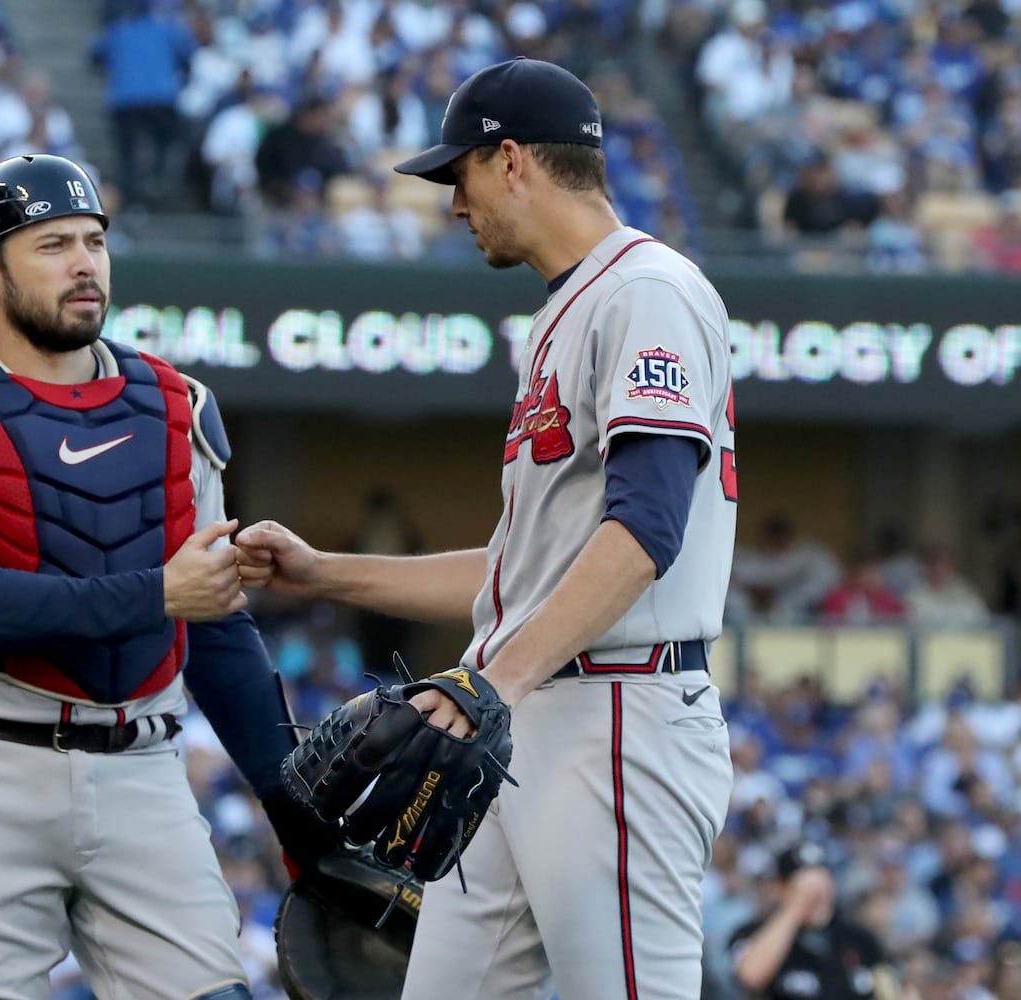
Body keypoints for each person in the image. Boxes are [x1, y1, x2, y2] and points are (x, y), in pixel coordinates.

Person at [237, 57, 739, 999]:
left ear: (512, 161)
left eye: (457, 175)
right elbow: (521, 573)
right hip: (527, 714)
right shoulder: (571, 307)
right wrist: (320, 573)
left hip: (617, 715)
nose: (453, 204)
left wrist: (486, 686)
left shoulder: (647, 293)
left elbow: (645, 531)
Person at [0, 153, 332, 1000]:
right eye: (51, 245)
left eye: (94, 241)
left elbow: (217, 627)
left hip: (142, 763)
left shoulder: (178, 405)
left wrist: (293, 807)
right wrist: (158, 594)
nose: (84, 263)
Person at [727, 842, 902, 999]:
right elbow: (750, 977)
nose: (817, 894)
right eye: (806, 887)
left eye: (823, 883)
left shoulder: (858, 938)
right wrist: (795, 908)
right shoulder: (754, 932)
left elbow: (890, 987)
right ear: (780, 887)